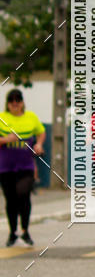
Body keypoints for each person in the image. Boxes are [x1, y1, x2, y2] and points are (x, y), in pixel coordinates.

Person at [0, 88, 45, 246]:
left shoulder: (31, 117)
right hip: (5, 167)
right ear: (7, 103)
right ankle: (13, 232)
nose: (15, 103)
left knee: (23, 193)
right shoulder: (2, 118)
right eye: (11, 100)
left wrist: (39, 144)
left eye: (18, 100)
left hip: (26, 165)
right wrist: (6, 139)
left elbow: (41, 132)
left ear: (22, 102)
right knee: (10, 200)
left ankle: (25, 230)